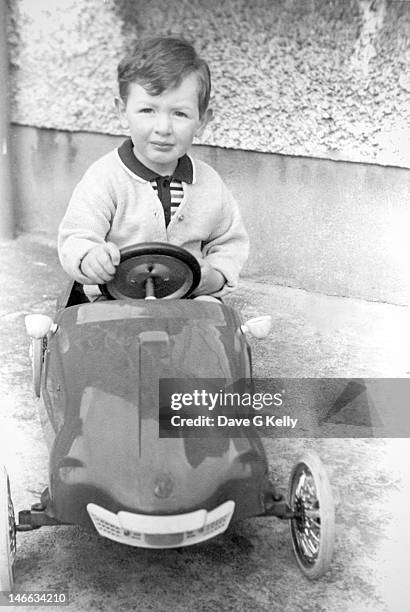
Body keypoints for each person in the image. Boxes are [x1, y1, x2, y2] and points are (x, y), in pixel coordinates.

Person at [58, 36, 249, 298]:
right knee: (92, 334)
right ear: (122, 111)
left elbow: (229, 243)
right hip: (116, 298)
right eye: (148, 110)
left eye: (179, 114)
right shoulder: (105, 178)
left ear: (202, 121)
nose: (162, 128)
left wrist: (215, 276)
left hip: (189, 297)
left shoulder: (209, 183)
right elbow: (76, 236)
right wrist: (89, 257)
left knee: (218, 333)